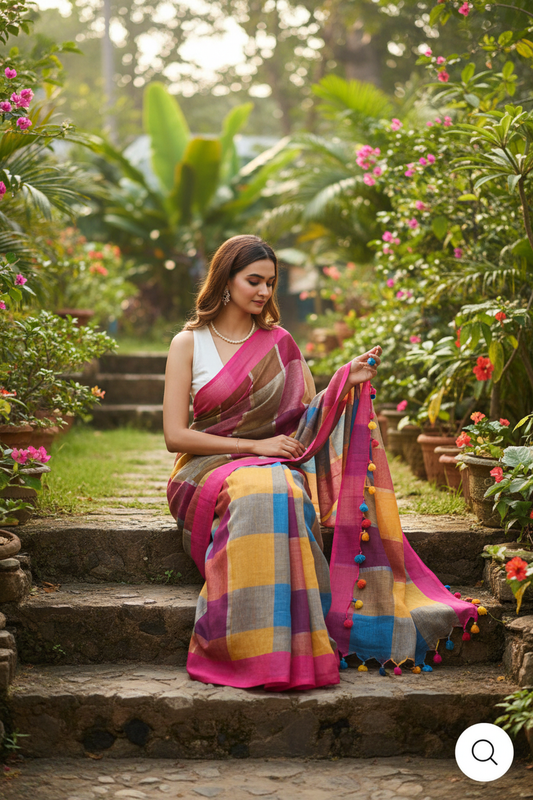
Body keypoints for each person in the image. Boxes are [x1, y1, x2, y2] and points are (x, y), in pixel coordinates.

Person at [164, 234, 479, 691]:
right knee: (263, 491)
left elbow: (302, 423)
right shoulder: (187, 342)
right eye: (254, 280)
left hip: (269, 466)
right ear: (225, 278)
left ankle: (295, 651)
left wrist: (342, 384)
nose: (264, 292)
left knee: (286, 493)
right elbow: (175, 436)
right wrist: (256, 448)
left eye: (271, 283)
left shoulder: (279, 344)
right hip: (204, 468)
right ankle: (243, 647)